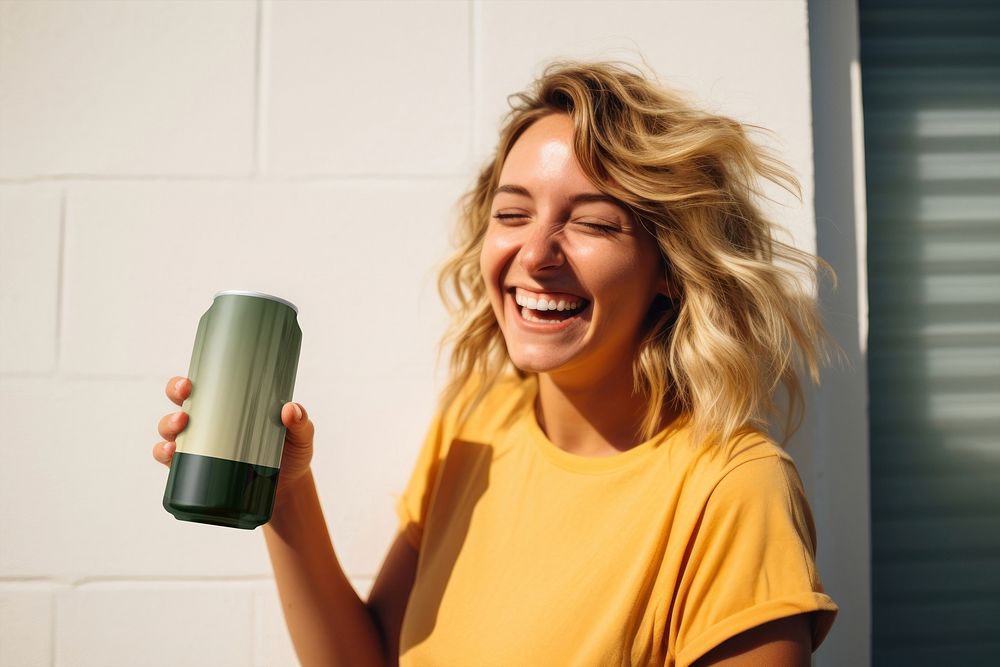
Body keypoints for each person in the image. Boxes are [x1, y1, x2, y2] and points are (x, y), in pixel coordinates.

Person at [153, 60, 838, 666]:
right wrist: (285, 497)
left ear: (670, 266)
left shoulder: (734, 490)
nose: (536, 254)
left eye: (594, 223)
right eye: (513, 214)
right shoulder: (476, 421)